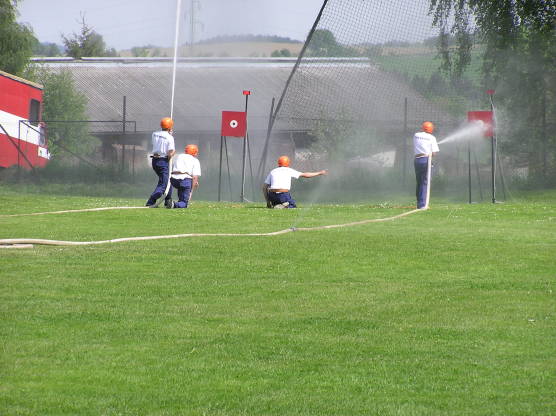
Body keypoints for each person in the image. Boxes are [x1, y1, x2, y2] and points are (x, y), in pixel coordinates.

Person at [262, 155, 327, 209]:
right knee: (292, 206)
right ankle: (284, 206)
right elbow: (305, 175)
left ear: (278, 163)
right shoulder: (289, 170)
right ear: (288, 163)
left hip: (272, 196)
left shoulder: (273, 171)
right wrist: (320, 173)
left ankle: (277, 204)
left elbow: (264, 187)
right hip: (283, 195)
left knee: (277, 203)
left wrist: (268, 202)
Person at [146, 117, 176, 207]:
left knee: (168, 180)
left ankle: (168, 201)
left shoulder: (154, 134)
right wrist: (173, 153)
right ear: (170, 127)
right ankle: (151, 201)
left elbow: (157, 143)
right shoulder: (170, 137)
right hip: (163, 161)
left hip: (155, 160)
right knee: (164, 183)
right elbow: (170, 153)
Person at [413, 121, 439, 209]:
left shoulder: (416, 135)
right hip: (426, 160)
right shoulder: (432, 138)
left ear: (423, 128)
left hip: (417, 160)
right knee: (425, 182)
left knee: (419, 181)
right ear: (431, 129)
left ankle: (419, 203)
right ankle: (422, 205)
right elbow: (434, 153)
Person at [166, 144, 201, 209]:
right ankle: (173, 204)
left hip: (174, 179)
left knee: (182, 187)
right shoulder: (195, 160)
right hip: (185, 180)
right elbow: (195, 177)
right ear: (195, 153)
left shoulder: (180, 156)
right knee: (185, 203)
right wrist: (191, 191)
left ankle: (177, 202)